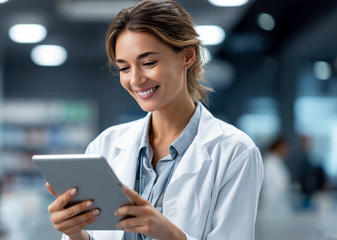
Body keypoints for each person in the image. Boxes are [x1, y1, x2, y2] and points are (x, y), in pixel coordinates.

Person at [46, 0, 264, 239]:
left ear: (187, 56)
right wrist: (75, 232)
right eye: (124, 68)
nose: (136, 80)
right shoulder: (105, 146)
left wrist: (167, 233)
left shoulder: (235, 152)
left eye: (148, 63)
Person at [260, 137, 292, 215]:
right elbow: (279, 185)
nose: (287, 152)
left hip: (278, 204)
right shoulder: (270, 161)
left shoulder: (276, 161)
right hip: (272, 204)